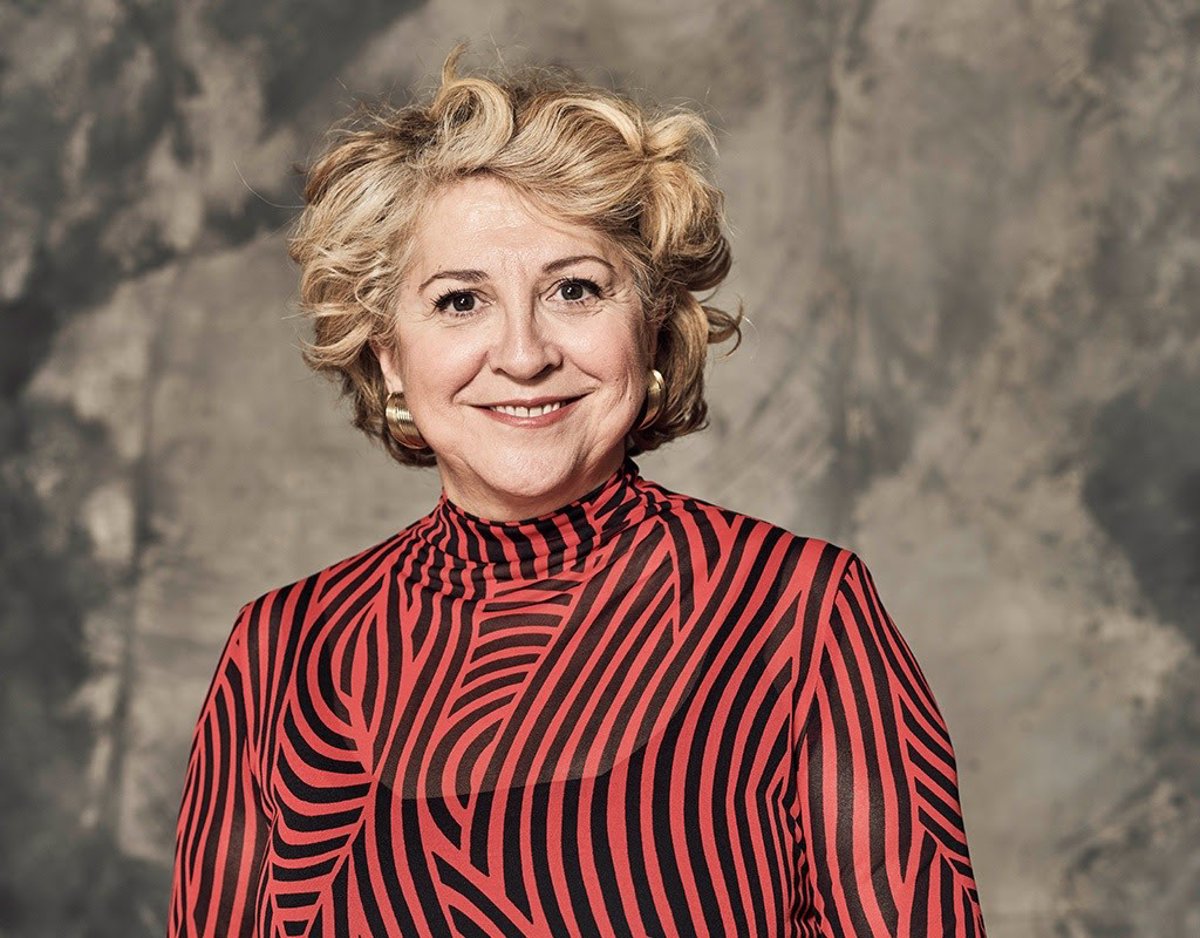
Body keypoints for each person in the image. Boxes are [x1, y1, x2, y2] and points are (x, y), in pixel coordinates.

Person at [169, 46, 987, 937]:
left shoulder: (798, 613)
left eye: (574, 289)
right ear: (388, 354)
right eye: (460, 301)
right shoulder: (281, 656)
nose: (524, 355)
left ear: (651, 325)